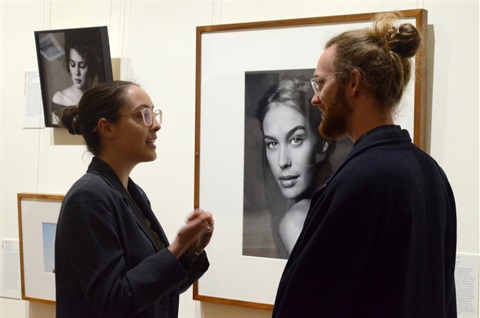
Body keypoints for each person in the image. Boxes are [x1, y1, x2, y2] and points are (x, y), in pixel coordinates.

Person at [273, 12, 457, 317]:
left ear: (354, 82)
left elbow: (306, 303)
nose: (315, 99)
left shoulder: (359, 180)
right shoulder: (432, 173)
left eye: (320, 83)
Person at [55, 80, 214, 318]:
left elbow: (157, 292)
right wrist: (176, 247)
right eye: (144, 115)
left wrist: (189, 252)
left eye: (154, 114)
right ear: (106, 128)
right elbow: (114, 301)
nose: (156, 125)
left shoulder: (133, 193)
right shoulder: (88, 198)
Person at [256, 76, 343, 257]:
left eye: (296, 140)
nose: (282, 161)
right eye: (272, 144)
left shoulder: (296, 219)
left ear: (323, 140)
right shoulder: (335, 199)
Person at [51, 30, 103, 123]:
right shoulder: (60, 98)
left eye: (82, 65)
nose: (76, 72)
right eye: (72, 64)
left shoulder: (100, 99)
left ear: (91, 66)